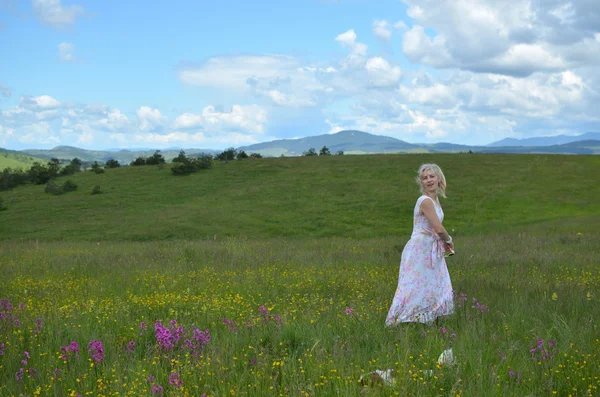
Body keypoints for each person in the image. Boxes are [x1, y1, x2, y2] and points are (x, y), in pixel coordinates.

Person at [385, 164, 455, 326]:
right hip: (421, 248)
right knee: (414, 284)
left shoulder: (434, 200)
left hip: (430, 247)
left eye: (432, 176)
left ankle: (428, 321)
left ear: (439, 178)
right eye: (425, 178)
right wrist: (449, 241)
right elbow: (438, 228)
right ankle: (400, 321)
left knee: (433, 283)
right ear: (421, 182)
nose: (429, 180)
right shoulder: (425, 201)